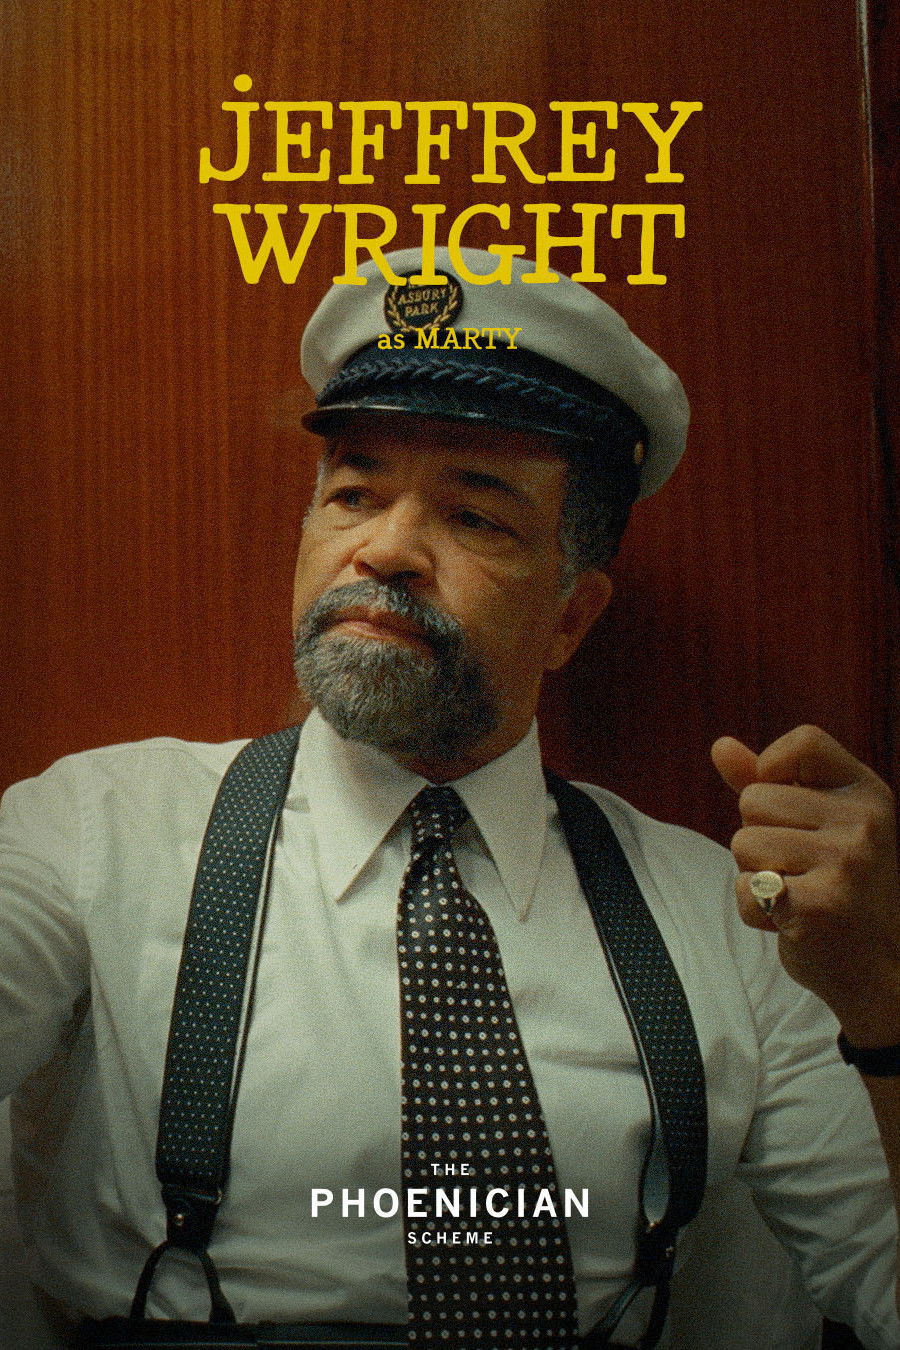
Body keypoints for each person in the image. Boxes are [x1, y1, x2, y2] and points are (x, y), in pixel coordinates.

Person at [1, 245, 898, 1350]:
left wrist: (885, 999)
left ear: (570, 617)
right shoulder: (91, 834)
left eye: (475, 516)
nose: (384, 548)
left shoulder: (731, 919)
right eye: (353, 493)